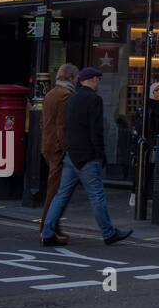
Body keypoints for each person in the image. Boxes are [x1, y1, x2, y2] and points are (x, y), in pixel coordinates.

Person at [41, 68, 132, 246]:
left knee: (61, 195)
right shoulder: (94, 100)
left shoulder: (71, 98)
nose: (98, 82)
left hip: (71, 156)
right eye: (97, 79)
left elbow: (63, 126)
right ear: (90, 80)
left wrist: (67, 148)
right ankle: (108, 233)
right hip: (88, 157)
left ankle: (47, 231)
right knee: (97, 195)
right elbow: (95, 130)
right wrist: (100, 154)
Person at [39, 63, 79, 244]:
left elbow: (44, 122)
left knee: (57, 190)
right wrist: (66, 148)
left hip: (48, 146)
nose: (77, 80)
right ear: (71, 78)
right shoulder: (66, 96)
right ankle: (47, 229)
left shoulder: (50, 94)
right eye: (76, 77)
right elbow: (63, 126)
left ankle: (53, 227)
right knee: (55, 191)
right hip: (57, 149)